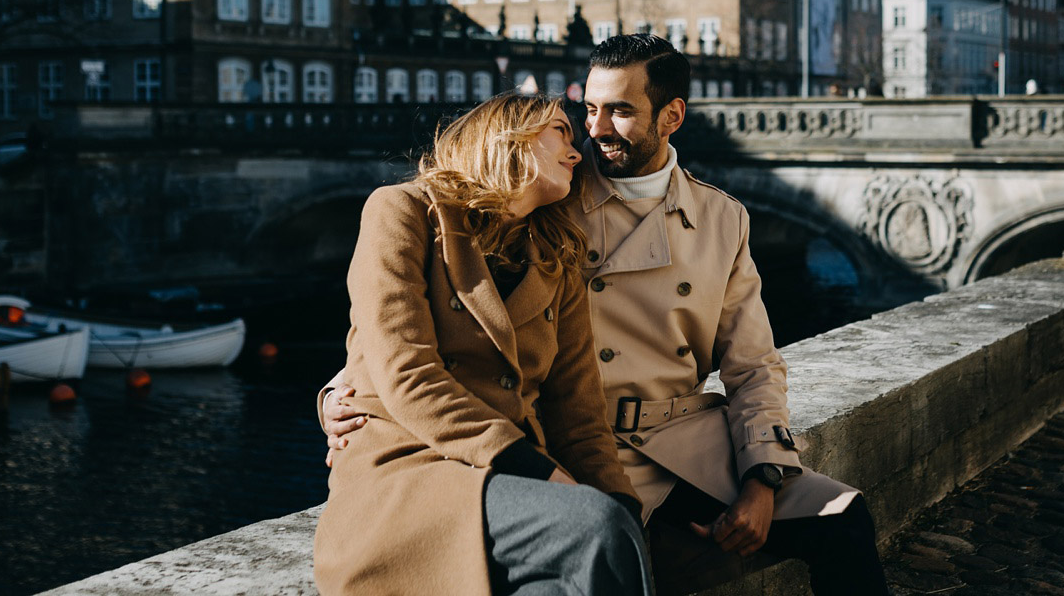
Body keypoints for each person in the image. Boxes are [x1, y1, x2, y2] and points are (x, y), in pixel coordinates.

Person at [328, 36, 890, 595]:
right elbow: (422, 328)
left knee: (844, 521)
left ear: (671, 116)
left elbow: (754, 364)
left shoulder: (721, 218)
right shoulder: (550, 202)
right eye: (587, 110)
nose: (593, 132)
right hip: (556, 444)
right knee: (595, 542)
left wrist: (763, 474)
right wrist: (342, 388)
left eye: (619, 111)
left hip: (677, 438)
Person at [312, 92, 652, 596]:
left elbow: (578, 419)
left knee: (598, 545)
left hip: (512, 493)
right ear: (505, 136)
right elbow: (408, 376)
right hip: (408, 476)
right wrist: (543, 475)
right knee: (597, 529)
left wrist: (622, 506)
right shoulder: (402, 212)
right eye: (560, 130)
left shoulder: (558, 265)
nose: (577, 150)